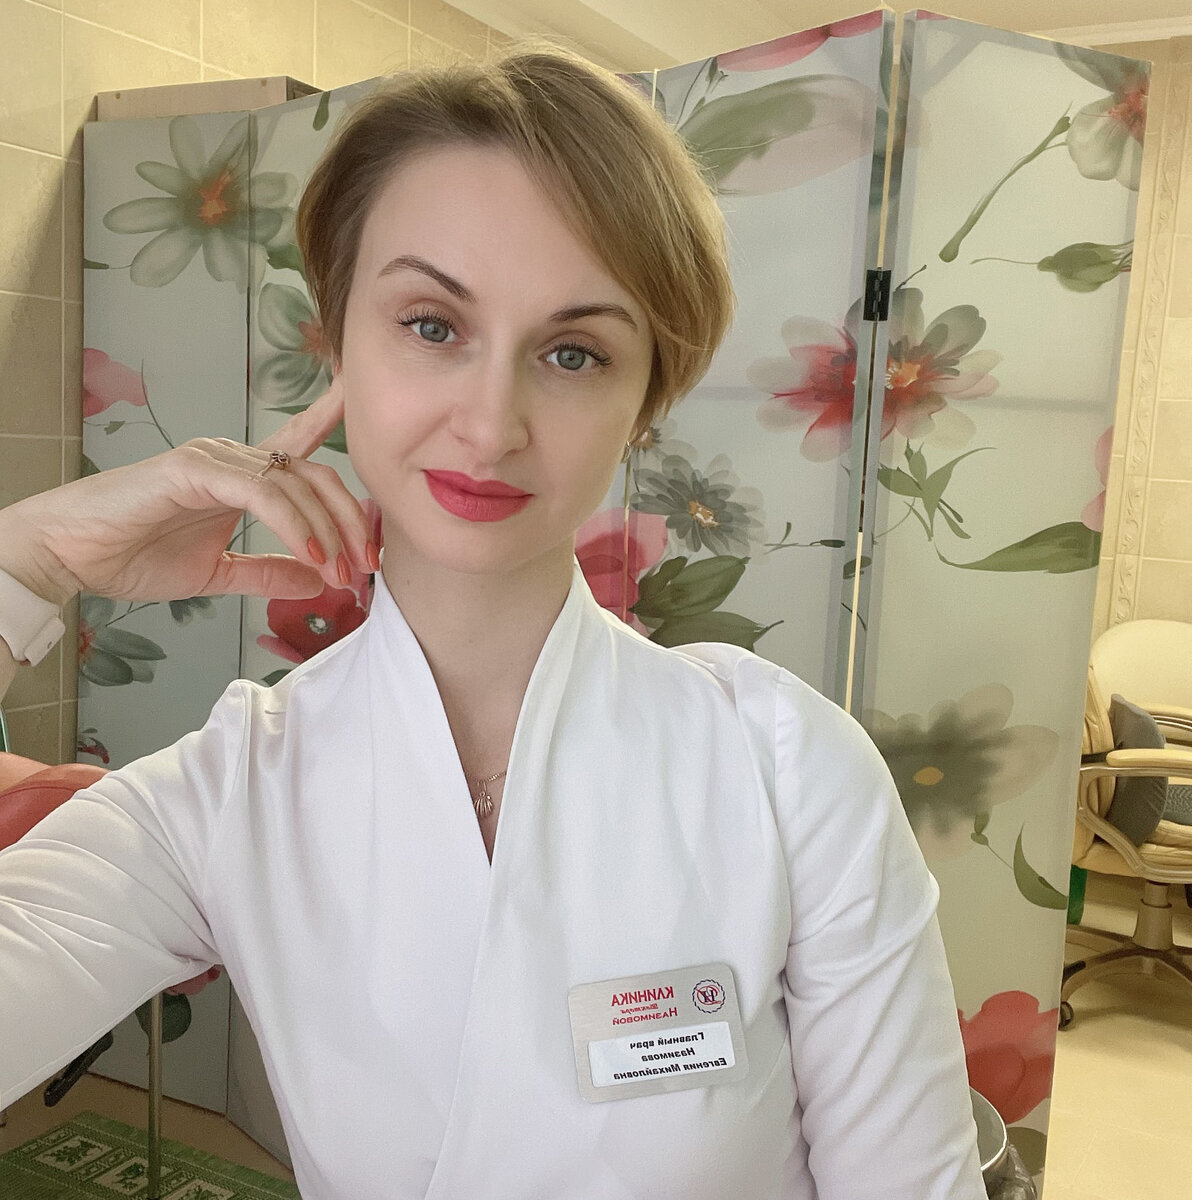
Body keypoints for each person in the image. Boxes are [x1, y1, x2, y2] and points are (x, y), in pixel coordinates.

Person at [0, 44, 986, 1200]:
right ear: (337, 343)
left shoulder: (787, 770)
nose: (489, 421)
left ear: (644, 402)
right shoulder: (226, 796)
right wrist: (27, 562)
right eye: (431, 324)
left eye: (573, 352)